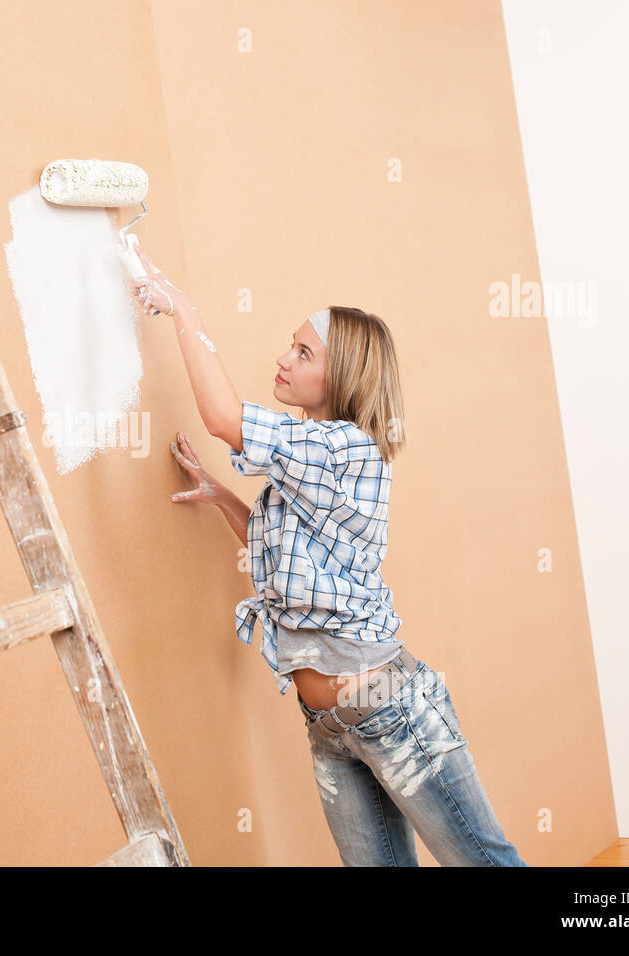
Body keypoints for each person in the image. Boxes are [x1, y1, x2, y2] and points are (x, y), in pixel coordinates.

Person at [130, 244, 527, 867]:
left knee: (488, 863)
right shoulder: (307, 459)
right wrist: (221, 498)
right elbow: (289, 567)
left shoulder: (347, 449)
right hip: (331, 729)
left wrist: (182, 309)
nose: (284, 359)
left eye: (303, 353)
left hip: (390, 706)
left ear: (340, 377)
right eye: (291, 344)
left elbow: (222, 417)